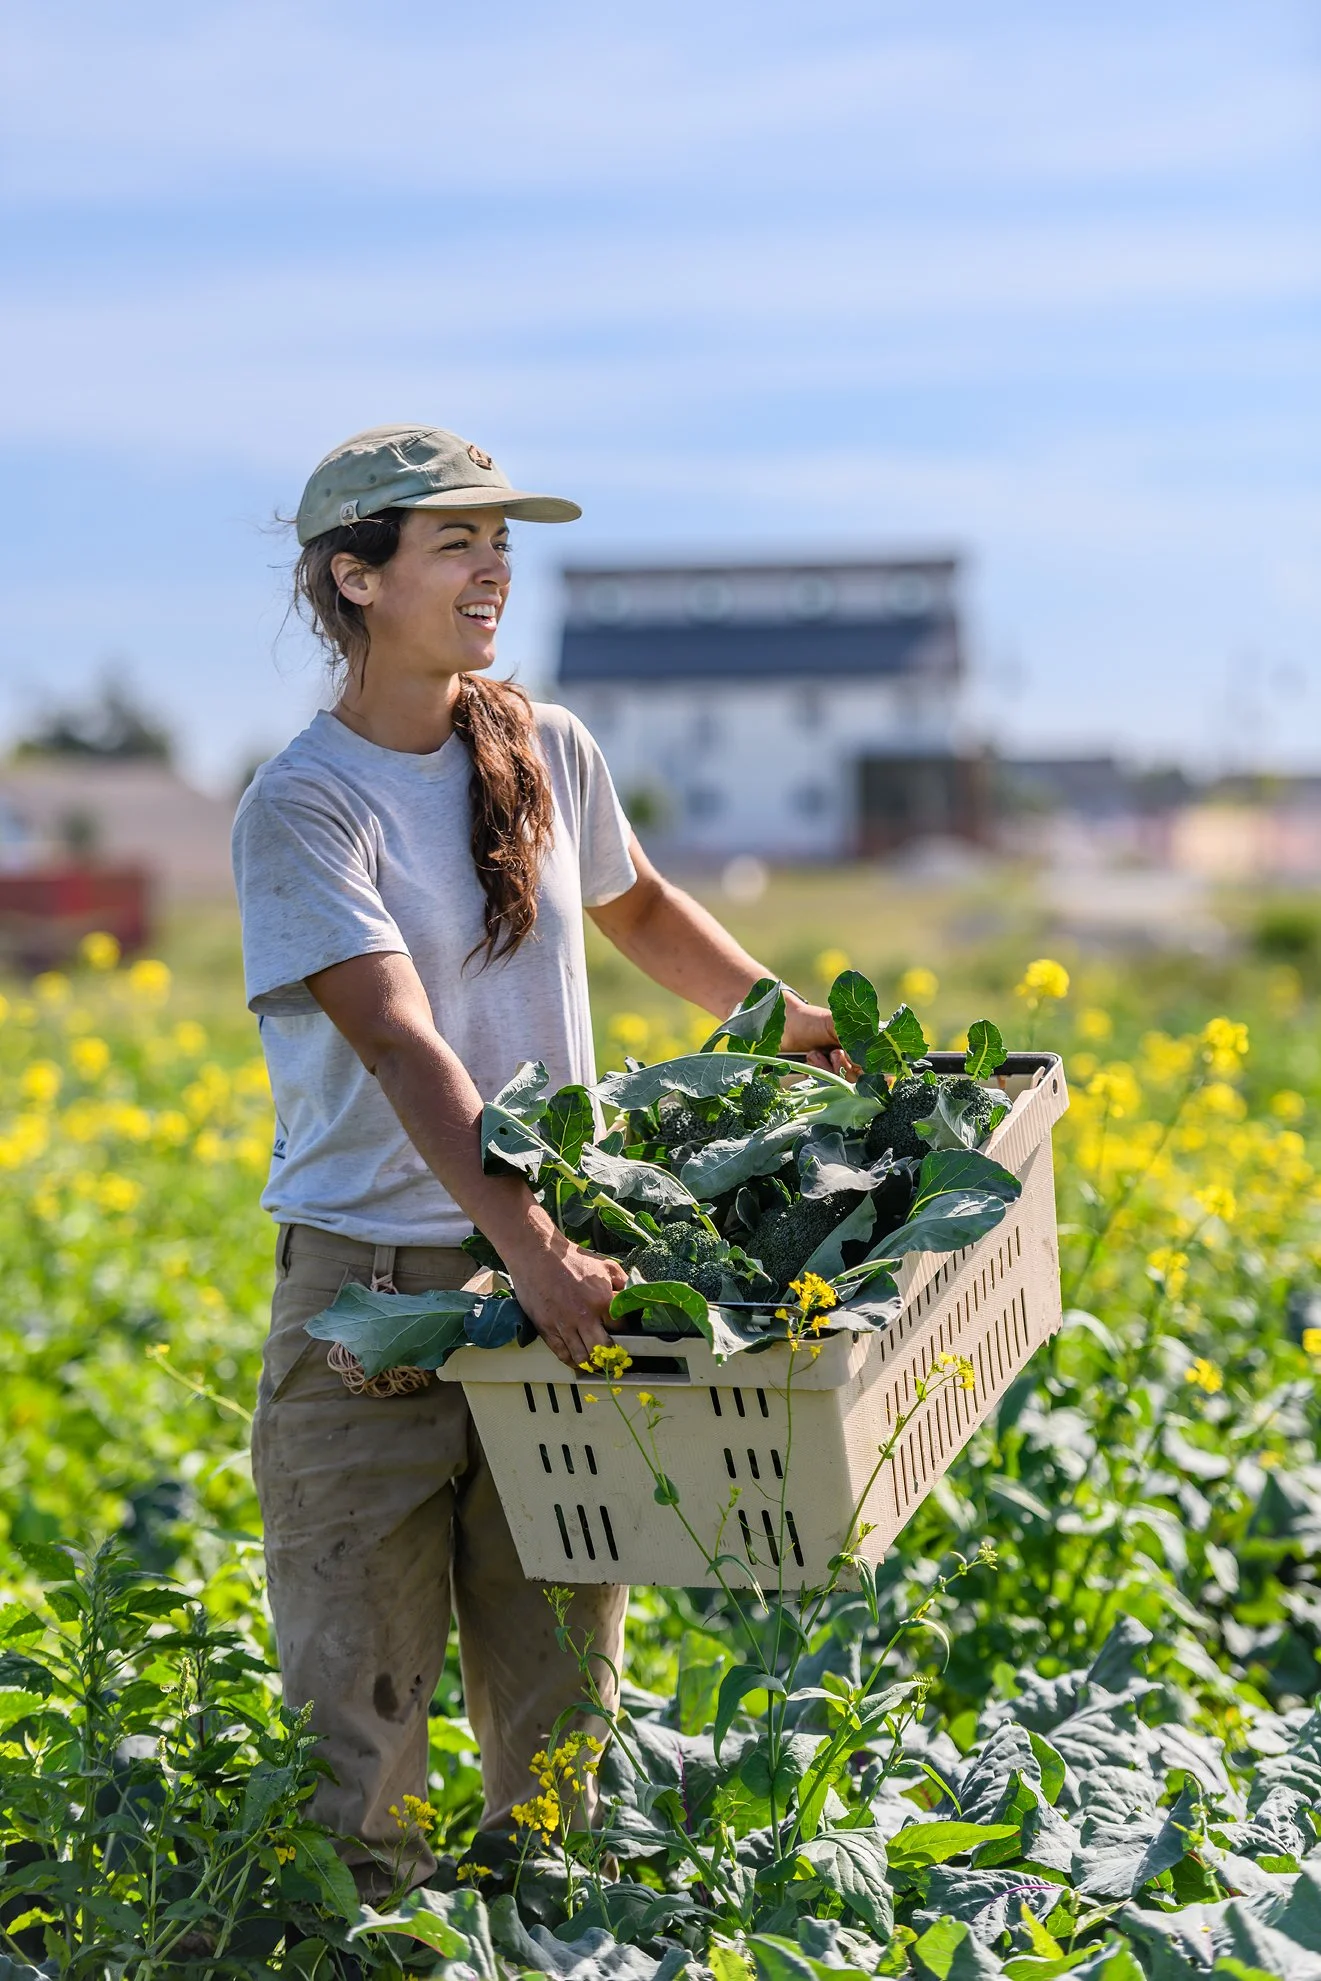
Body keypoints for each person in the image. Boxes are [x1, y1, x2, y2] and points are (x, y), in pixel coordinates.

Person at [231, 423, 845, 1892]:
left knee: (565, 1722)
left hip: (553, 1288)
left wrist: (789, 1021)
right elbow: (401, 1045)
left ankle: (547, 1936)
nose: (495, 569)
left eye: (503, 541)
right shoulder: (305, 805)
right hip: (375, 1304)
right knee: (356, 1734)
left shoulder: (546, 746)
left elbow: (637, 911)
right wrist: (538, 1252)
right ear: (356, 576)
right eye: (458, 543)